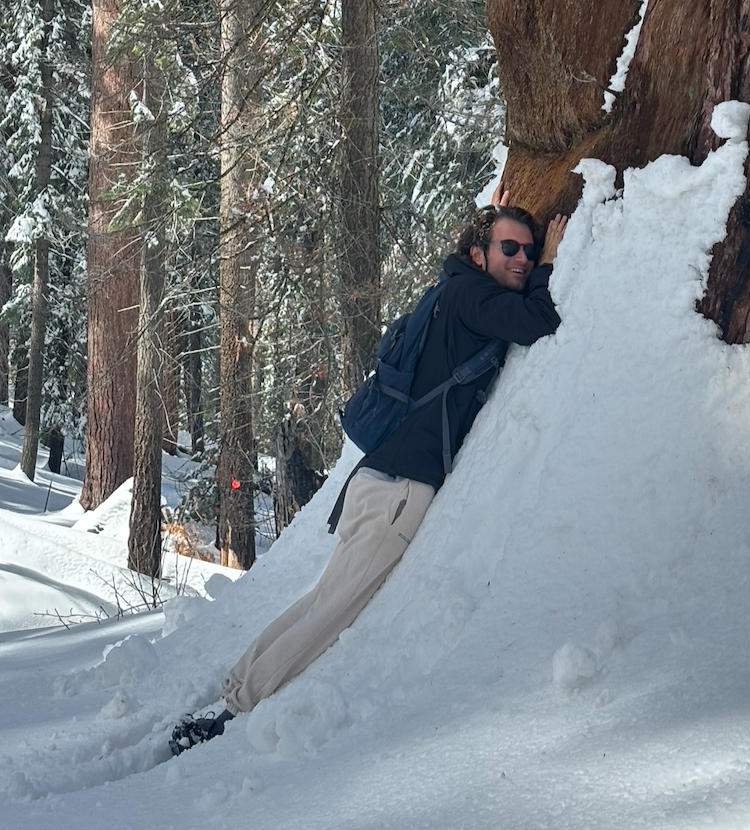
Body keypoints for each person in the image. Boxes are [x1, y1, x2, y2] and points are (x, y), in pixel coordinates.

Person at [170, 193, 567, 754]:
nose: (523, 257)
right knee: (331, 609)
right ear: (479, 254)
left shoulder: (451, 290)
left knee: (321, 599)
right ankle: (235, 710)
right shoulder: (471, 296)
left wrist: (503, 236)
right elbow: (539, 320)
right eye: (510, 247)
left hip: (381, 479)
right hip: (399, 492)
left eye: (528, 250)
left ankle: (234, 693)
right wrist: (549, 263)